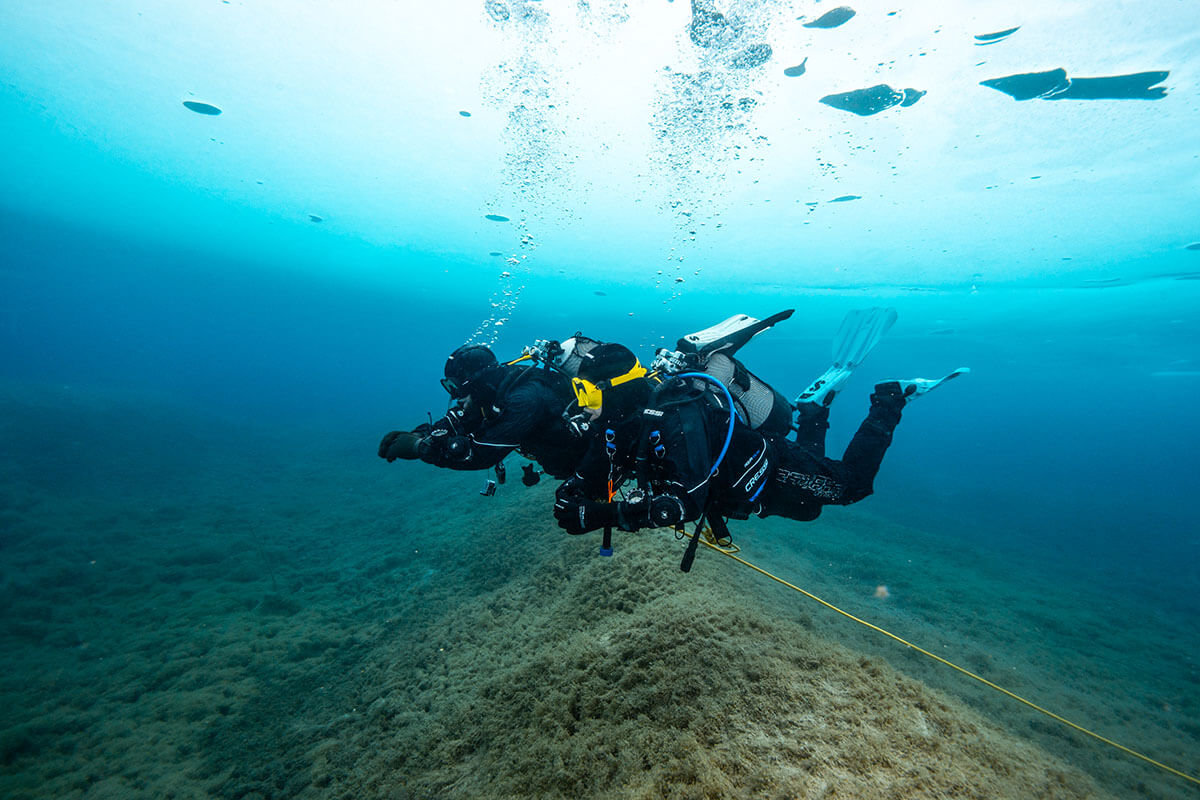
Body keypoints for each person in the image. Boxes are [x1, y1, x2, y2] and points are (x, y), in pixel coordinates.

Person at [552, 339, 966, 554]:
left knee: (851, 486)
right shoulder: (623, 426)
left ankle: (889, 399)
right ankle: (814, 411)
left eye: (585, 392)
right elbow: (595, 473)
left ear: (612, 389)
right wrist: (571, 495)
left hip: (769, 467)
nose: (580, 403)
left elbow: (682, 506)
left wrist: (598, 514)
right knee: (809, 511)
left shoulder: (677, 418)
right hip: (743, 489)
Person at [378, 341, 590, 481]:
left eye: (461, 388)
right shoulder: (493, 390)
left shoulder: (525, 399)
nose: (457, 397)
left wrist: (419, 448)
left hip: (591, 455)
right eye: (452, 388)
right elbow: (461, 419)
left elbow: (482, 453)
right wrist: (422, 434)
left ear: (478, 385)